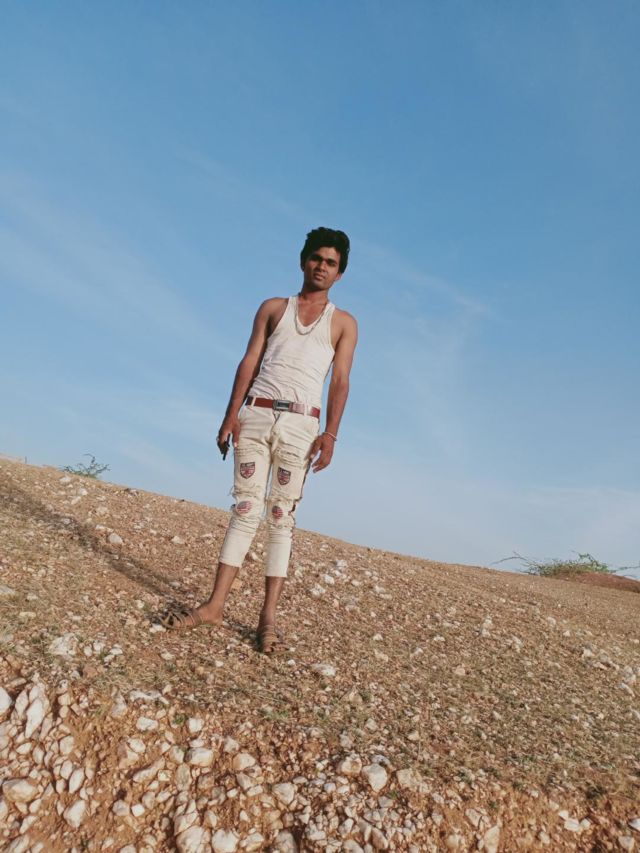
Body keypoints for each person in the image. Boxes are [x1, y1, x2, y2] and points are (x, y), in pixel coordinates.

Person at [164, 227, 358, 653]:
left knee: (281, 517)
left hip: (302, 425)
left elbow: (340, 380)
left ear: (340, 273)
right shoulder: (273, 308)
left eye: (331, 263)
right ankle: (214, 606)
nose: (322, 267)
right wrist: (230, 415)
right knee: (245, 509)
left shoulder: (343, 323)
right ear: (303, 260)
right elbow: (250, 359)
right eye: (316, 258)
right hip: (256, 414)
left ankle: (267, 618)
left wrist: (331, 434)